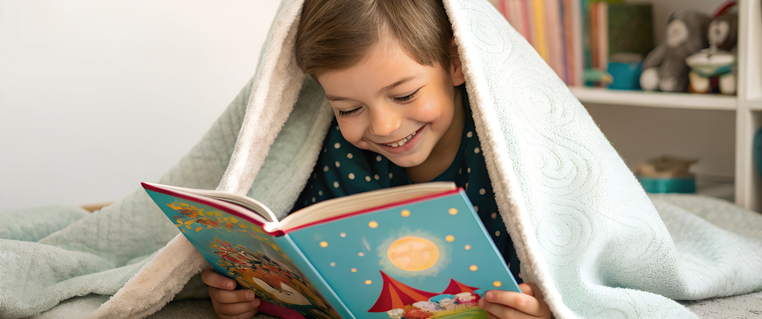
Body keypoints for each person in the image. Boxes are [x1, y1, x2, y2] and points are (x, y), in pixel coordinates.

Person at [201, 0, 553, 318]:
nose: (384, 127)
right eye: (349, 108)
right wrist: (246, 293)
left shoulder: (506, 153)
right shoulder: (342, 151)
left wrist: (546, 308)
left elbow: (566, 278)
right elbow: (308, 264)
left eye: (404, 95)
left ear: (457, 63)